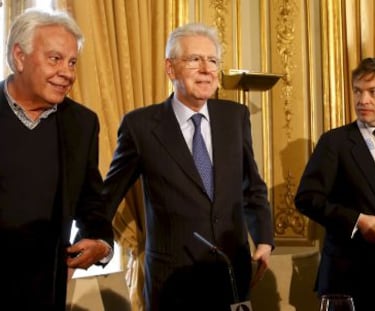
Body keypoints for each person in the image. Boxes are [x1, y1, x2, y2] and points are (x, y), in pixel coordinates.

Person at [103, 23, 274, 311]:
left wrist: (264, 240)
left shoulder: (235, 117)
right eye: (195, 60)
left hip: (232, 275)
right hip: (172, 281)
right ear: (170, 69)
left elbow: (252, 186)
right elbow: (109, 195)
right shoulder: (140, 126)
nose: (207, 69)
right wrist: (92, 238)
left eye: (213, 61)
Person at [1, 8, 114, 310]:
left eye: (72, 62)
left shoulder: (82, 123)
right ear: (19, 56)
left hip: (46, 293)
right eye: (55, 59)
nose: (67, 72)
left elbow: (91, 199)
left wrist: (101, 243)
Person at [294, 57, 375, 311]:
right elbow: (307, 198)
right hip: (345, 278)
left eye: (373, 92)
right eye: (358, 91)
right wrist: (359, 221)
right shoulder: (334, 142)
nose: (362, 100)